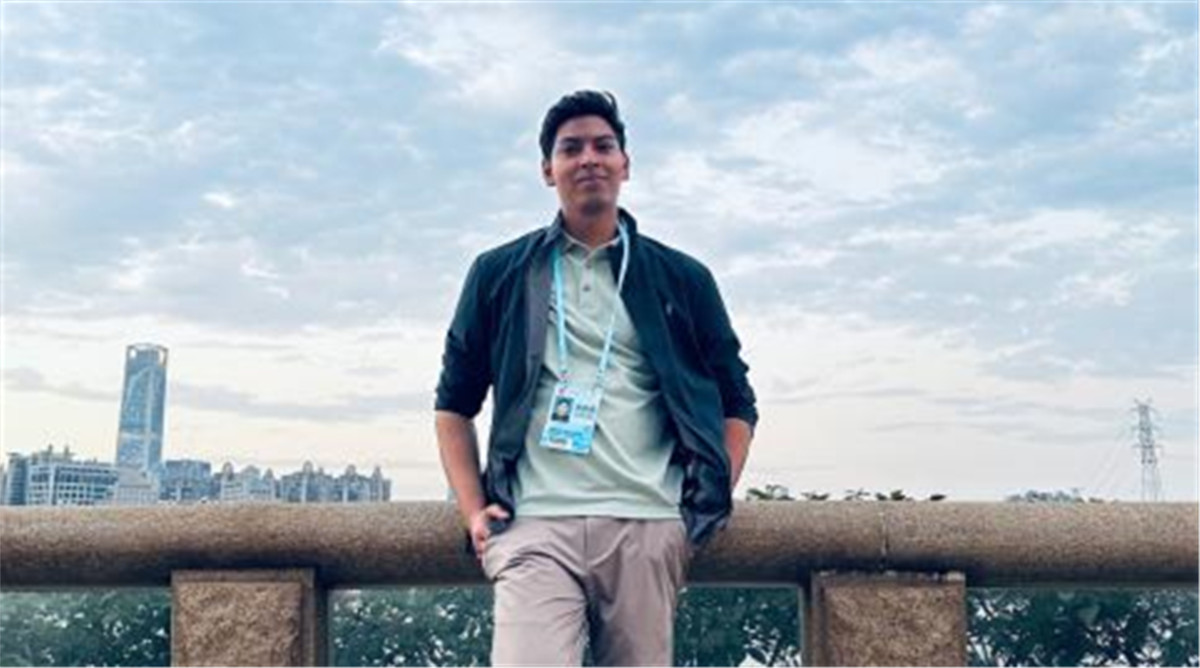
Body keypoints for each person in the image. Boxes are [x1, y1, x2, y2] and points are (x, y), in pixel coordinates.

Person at [434, 89, 757, 666]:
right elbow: (453, 405)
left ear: (625, 165)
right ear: (547, 170)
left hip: (648, 522)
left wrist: (705, 501)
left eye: (603, 146)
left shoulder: (681, 277)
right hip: (533, 523)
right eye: (571, 148)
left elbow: (738, 400)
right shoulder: (499, 273)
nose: (589, 159)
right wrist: (472, 510)